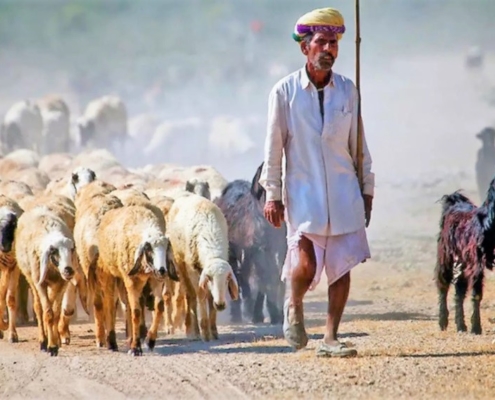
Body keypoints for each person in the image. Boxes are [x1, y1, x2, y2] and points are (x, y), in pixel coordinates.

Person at [258, 7, 375, 357]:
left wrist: (367, 188)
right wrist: (272, 195)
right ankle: (293, 305)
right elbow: (273, 148)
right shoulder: (284, 92)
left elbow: (359, 145)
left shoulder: (348, 91)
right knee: (306, 265)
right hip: (304, 191)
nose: (329, 49)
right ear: (304, 48)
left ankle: (330, 338)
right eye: (321, 42)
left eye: (334, 42)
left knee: (342, 267)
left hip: (343, 192)